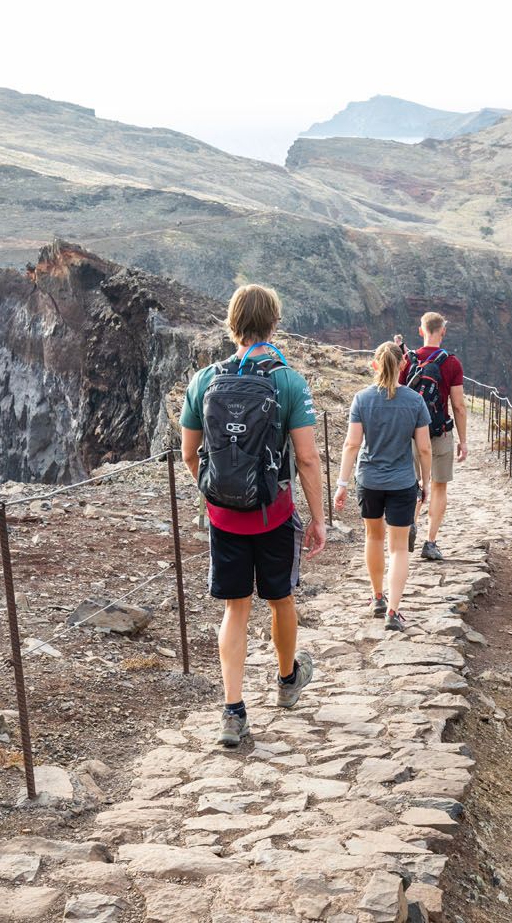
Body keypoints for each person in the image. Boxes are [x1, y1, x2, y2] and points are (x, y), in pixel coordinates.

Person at [180, 284, 326, 748]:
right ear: (274, 323)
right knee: (281, 599)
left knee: (235, 609)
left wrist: (216, 496)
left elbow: (189, 454)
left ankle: (233, 711)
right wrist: (318, 518)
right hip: (274, 513)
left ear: (232, 322)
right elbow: (305, 458)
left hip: (224, 517)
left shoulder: (204, 379)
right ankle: (286, 682)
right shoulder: (288, 381)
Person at [334, 342, 433, 632]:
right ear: (403, 365)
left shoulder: (362, 399)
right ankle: (393, 612)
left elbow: (352, 444)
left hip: (369, 480)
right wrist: (426, 483)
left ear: (375, 365)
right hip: (402, 482)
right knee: (399, 548)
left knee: (373, 539)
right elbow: (424, 448)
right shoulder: (415, 401)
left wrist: (342, 484)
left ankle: (377, 596)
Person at [398, 312, 468, 561]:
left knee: (414, 484)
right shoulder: (452, 363)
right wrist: (463, 440)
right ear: (443, 331)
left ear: (420, 331)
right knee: (439, 486)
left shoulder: (407, 360)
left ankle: (410, 525)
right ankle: (430, 542)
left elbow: (396, 397)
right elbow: (459, 405)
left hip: (412, 435)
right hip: (440, 433)